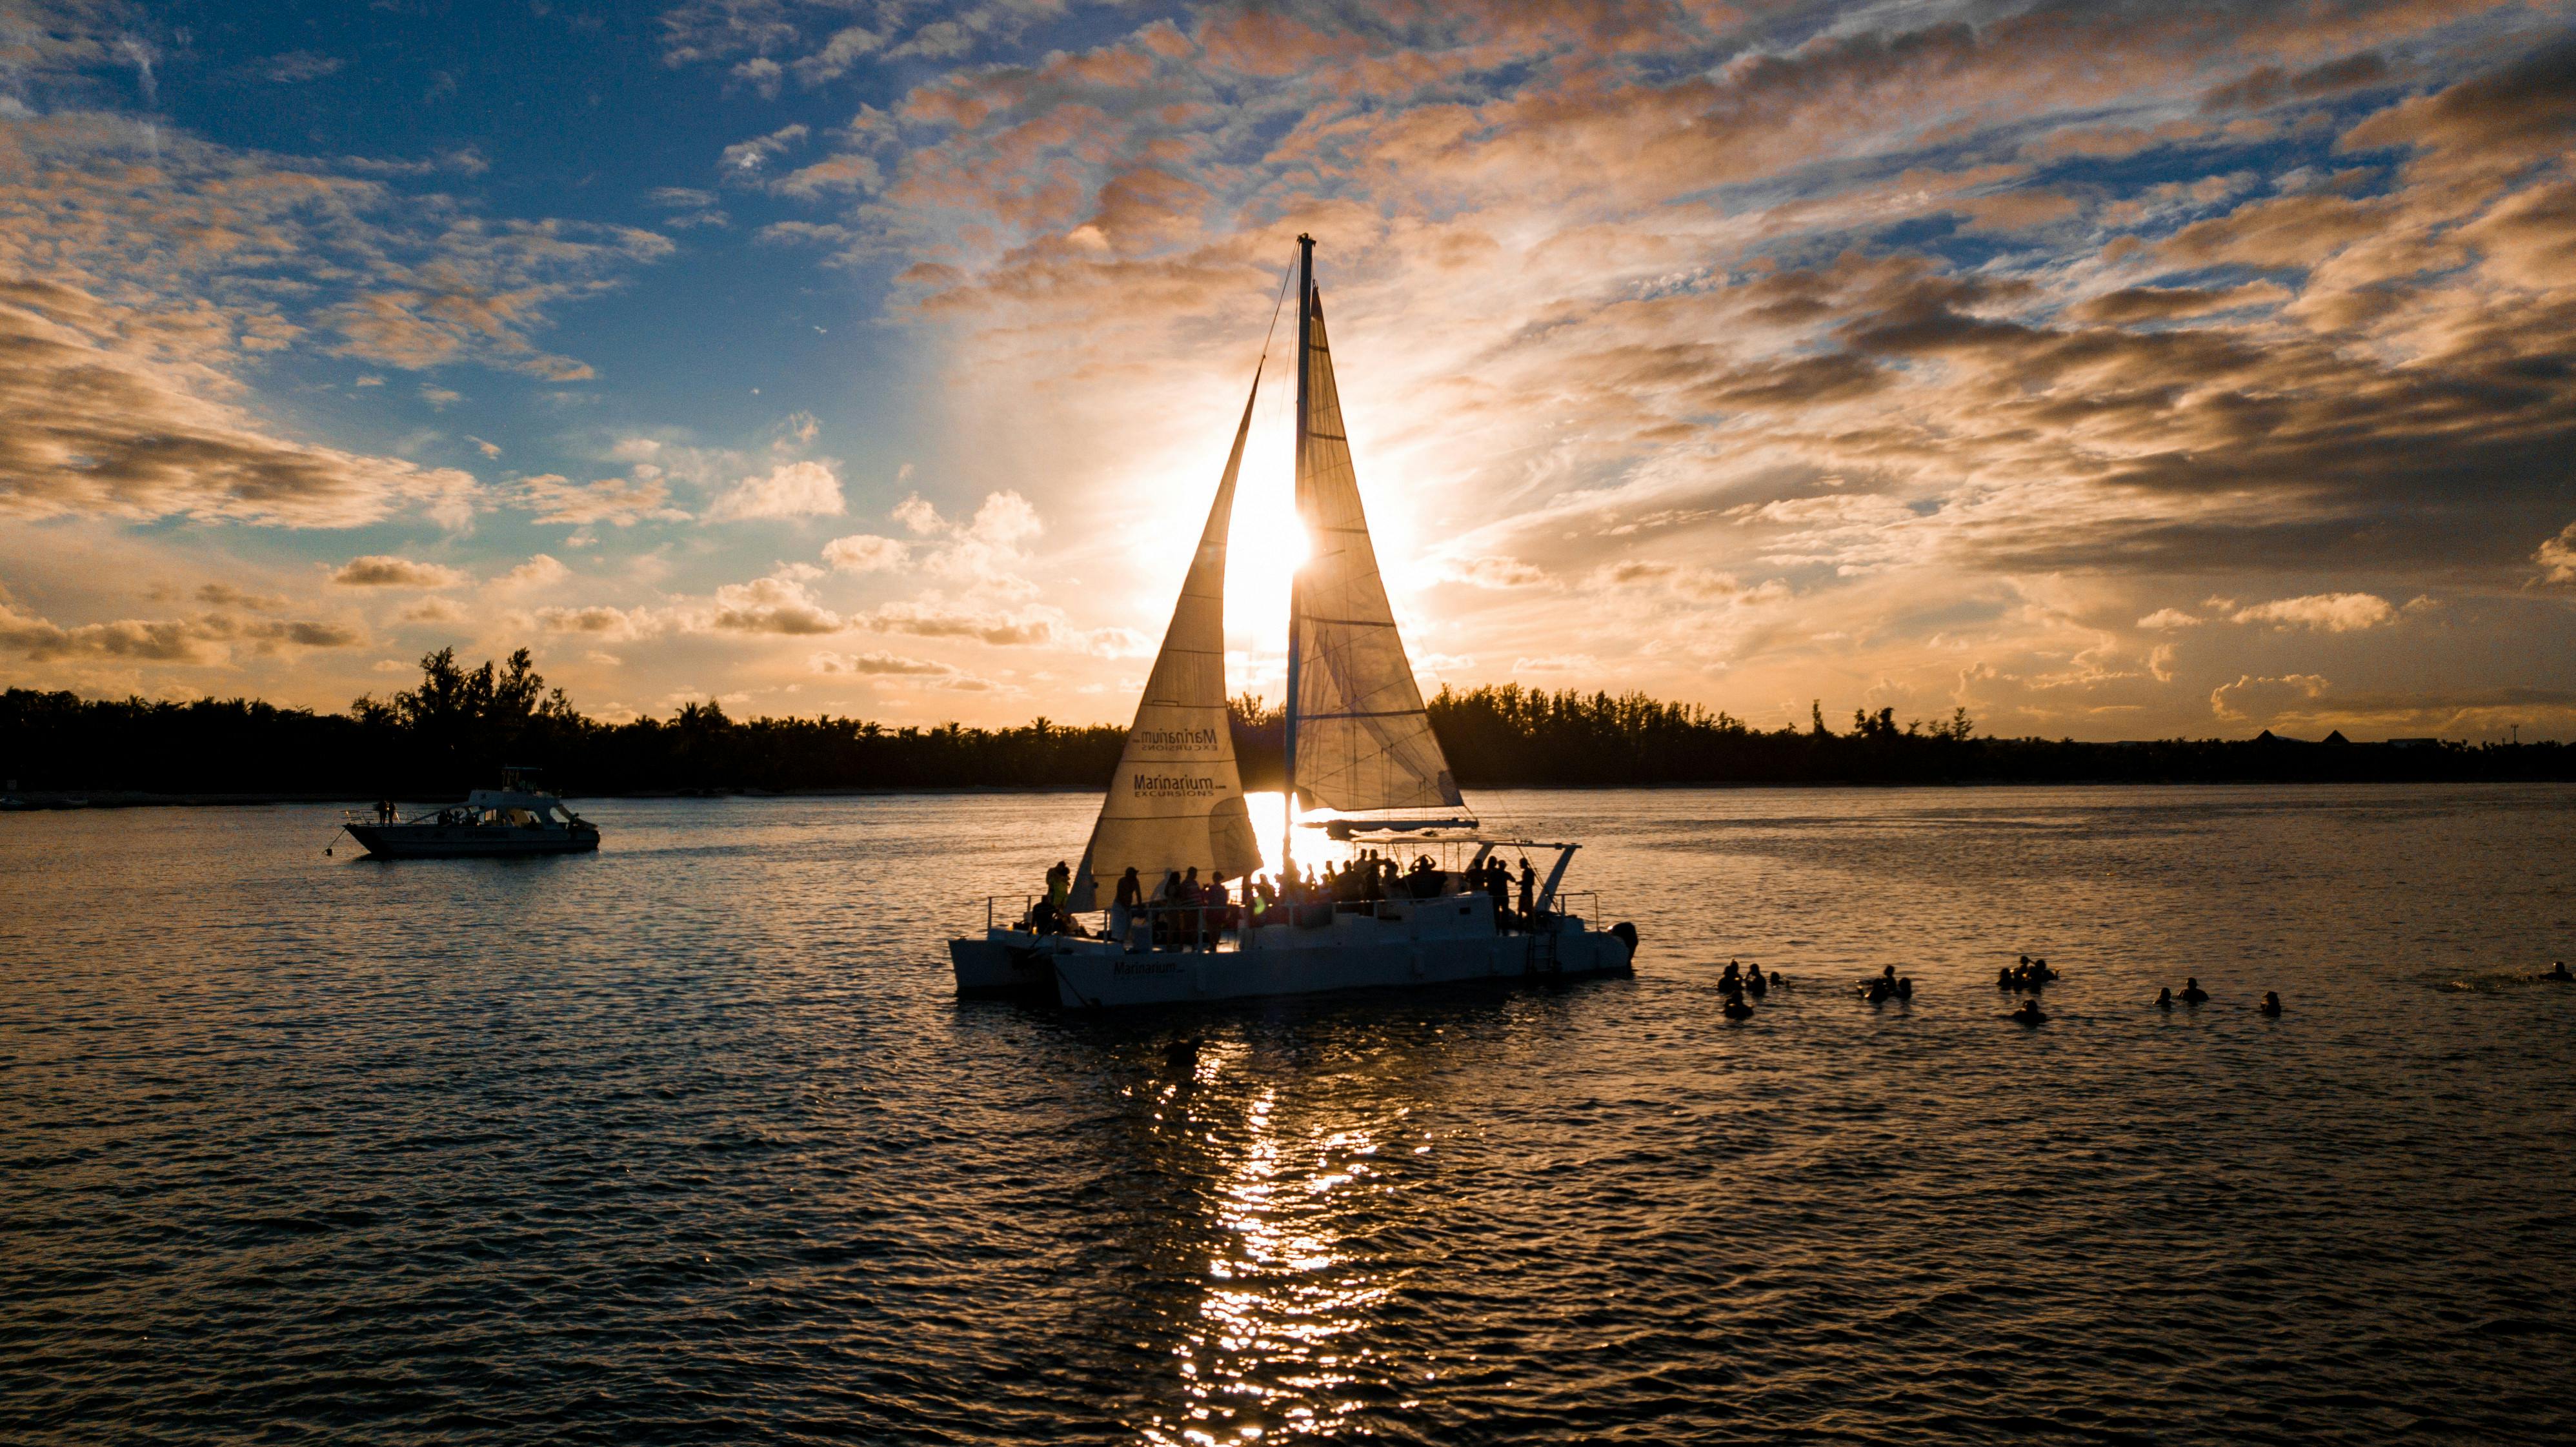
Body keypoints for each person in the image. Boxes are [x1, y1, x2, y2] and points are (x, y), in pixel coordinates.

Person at [1112, 867, 1143, 945]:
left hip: (1128, 906)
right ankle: (1120, 944)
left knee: (1128, 926)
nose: (1136, 875)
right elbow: (1120, 895)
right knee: (1121, 926)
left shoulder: (1135, 882)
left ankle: (1127, 944)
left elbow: (1139, 895)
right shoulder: (1122, 881)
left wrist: (1140, 907)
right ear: (1129, 875)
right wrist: (1124, 906)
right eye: (1134, 874)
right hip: (1119, 906)